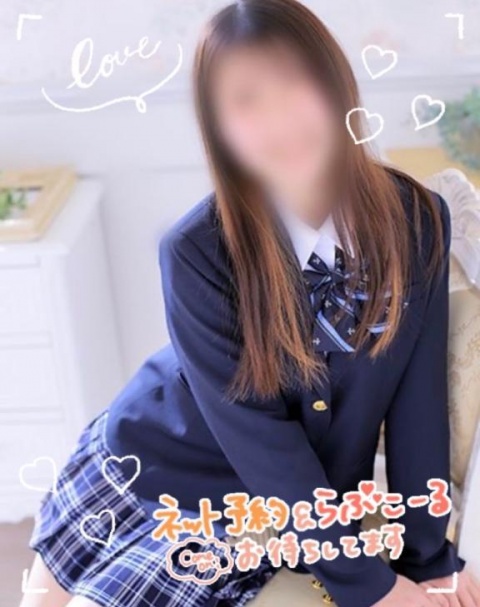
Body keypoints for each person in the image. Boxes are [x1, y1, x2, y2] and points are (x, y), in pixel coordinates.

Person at [22, 1, 480, 606]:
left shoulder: (417, 220)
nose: (278, 121)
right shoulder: (195, 249)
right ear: (220, 129)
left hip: (268, 511)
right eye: (246, 101)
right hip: (150, 460)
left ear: (335, 84)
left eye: (293, 83)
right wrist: (371, 588)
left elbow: (418, 410)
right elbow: (264, 444)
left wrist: (425, 559)